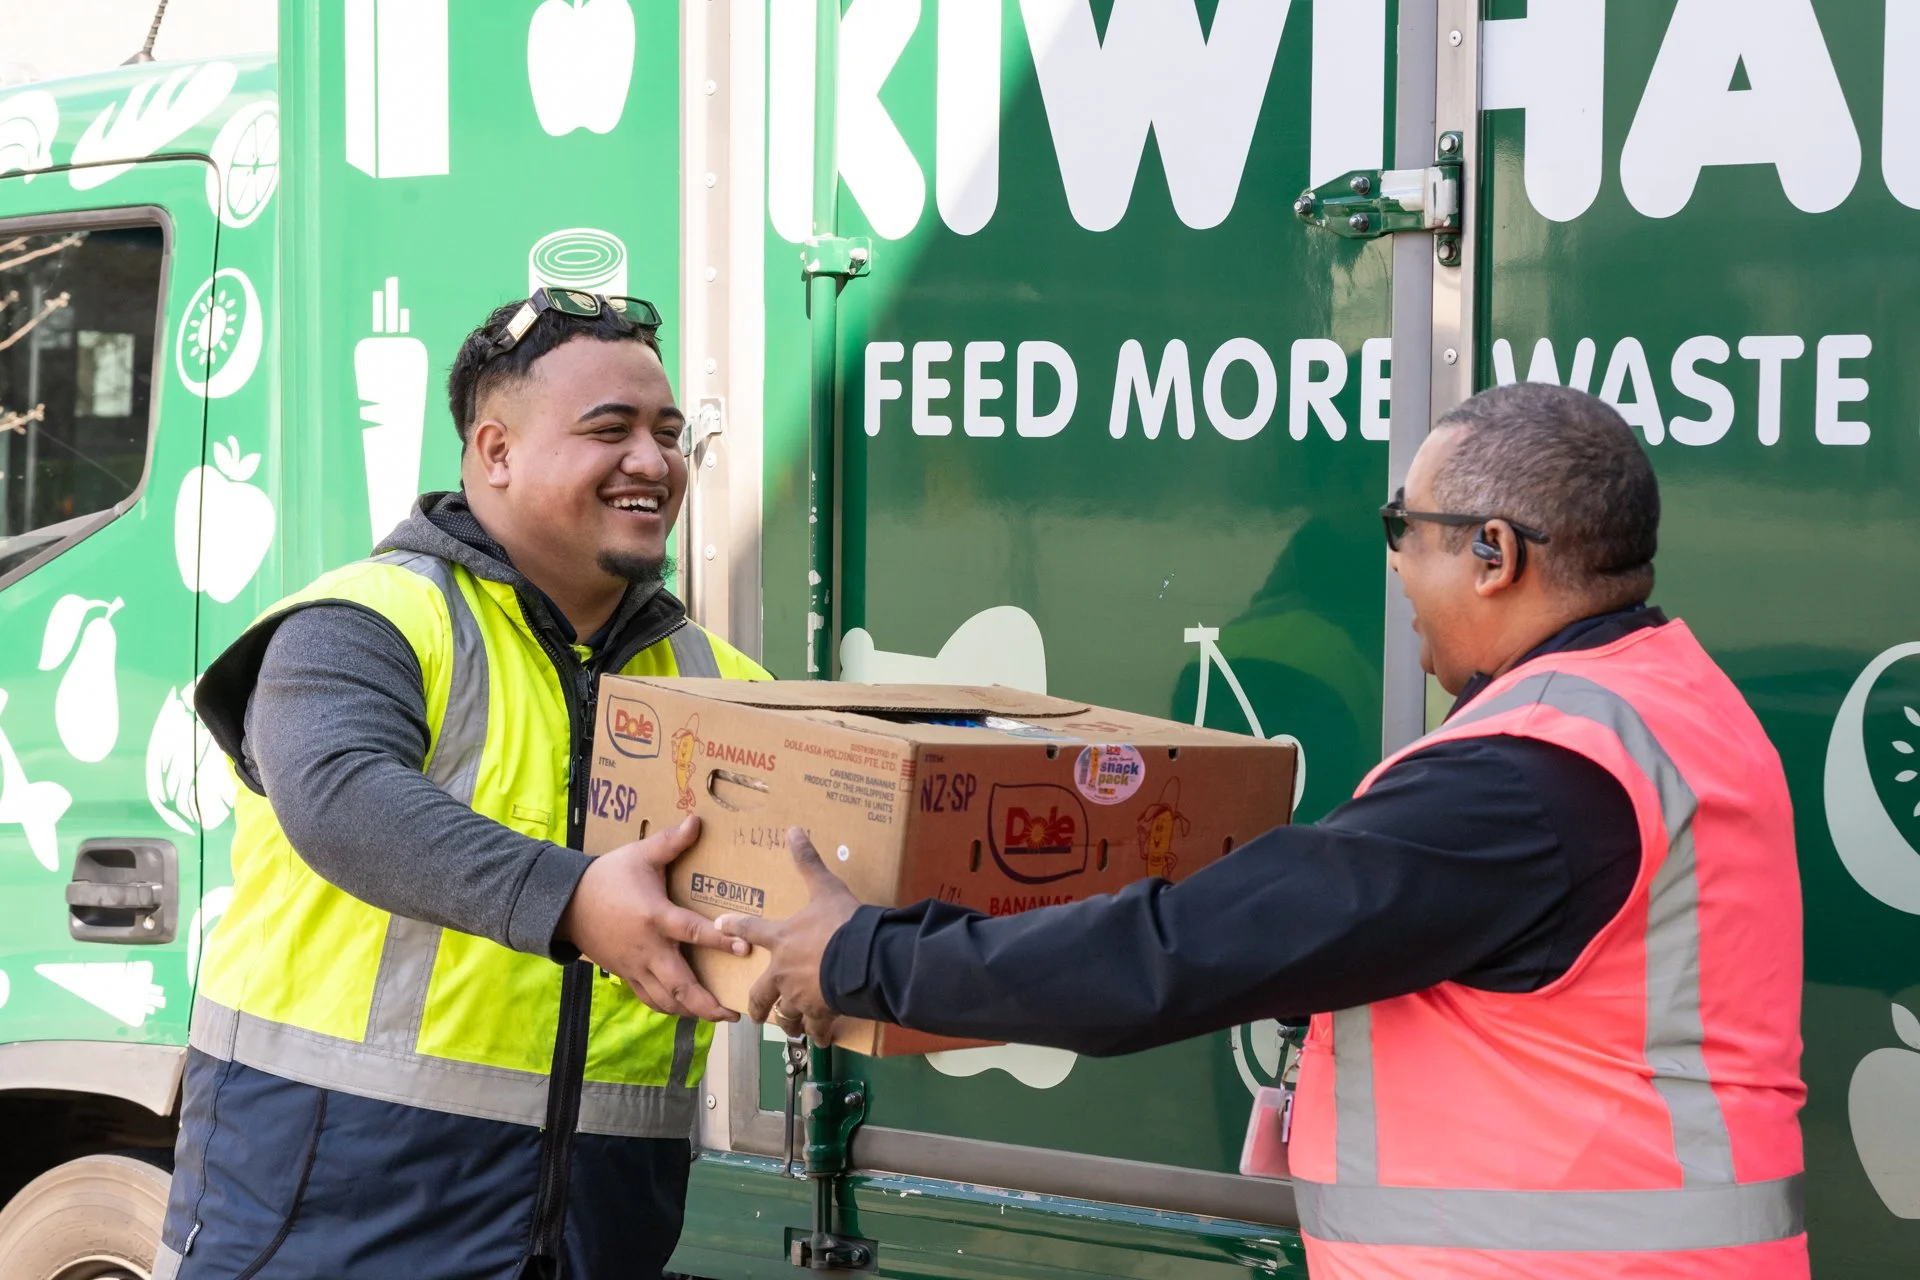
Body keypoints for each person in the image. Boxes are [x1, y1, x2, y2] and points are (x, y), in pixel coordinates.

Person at [721, 383, 1810, 1280]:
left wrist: (867, 956)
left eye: (1405, 531)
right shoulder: (1671, 708)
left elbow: (1175, 956)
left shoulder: (1532, 776)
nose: (1393, 567)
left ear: (1493, 552)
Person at [156, 291, 763, 1280]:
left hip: (590, 1244)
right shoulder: (364, 621)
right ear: (494, 453)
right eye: (608, 430)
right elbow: (341, 794)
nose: (653, 461)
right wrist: (573, 899)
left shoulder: (721, 686)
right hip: (327, 1236)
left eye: (666, 431)